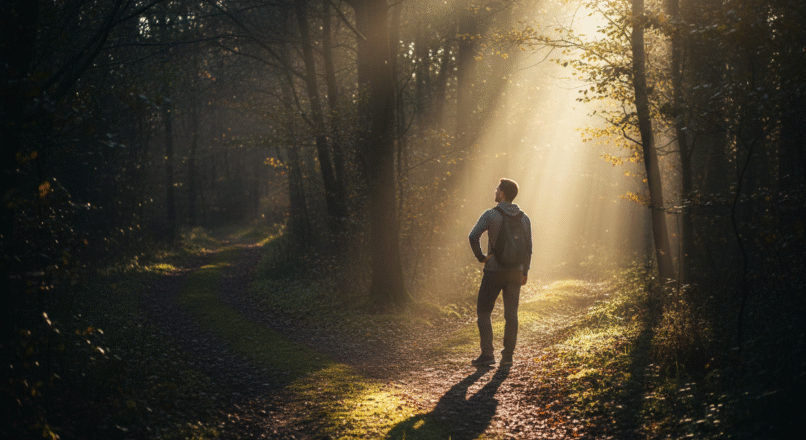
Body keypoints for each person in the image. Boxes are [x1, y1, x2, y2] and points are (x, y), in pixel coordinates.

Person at [468, 178, 532, 367]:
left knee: (484, 311)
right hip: (515, 272)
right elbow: (529, 247)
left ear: (502, 194)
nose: (495, 191)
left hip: (494, 270)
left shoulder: (491, 215)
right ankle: (508, 357)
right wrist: (525, 271)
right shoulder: (524, 218)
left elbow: (473, 236)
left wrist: (481, 257)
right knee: (511, 314)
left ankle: (487, 355)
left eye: (497, 189)